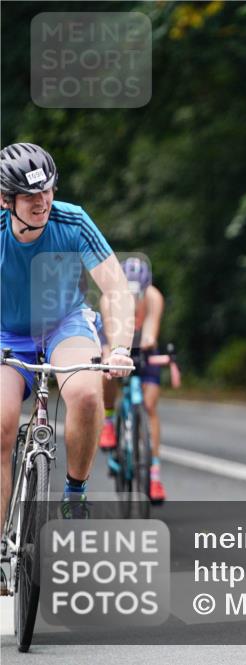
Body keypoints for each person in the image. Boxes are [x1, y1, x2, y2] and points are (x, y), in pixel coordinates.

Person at [0, 142, 134, 524]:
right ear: (5, 200)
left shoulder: (72, 221)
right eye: (30, 195)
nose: (42, 201)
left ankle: (75, 492)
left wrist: (120, 347)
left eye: (47, 190)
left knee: (87, 395)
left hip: (64, 324)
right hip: (6, 333)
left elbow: (116, 287)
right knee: (1, 427)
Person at [98, 256, 168, 503]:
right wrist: (114, 354)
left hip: (142, 347)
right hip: (115, 341)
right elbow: (110, 334)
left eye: (138, 293)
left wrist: (147, 341)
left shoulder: (154, 297)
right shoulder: (109, 298)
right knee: (107, 368)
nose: (134, 298)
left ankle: (154, 474)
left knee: (149, 405)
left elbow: (150, 331)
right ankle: (108, 420)